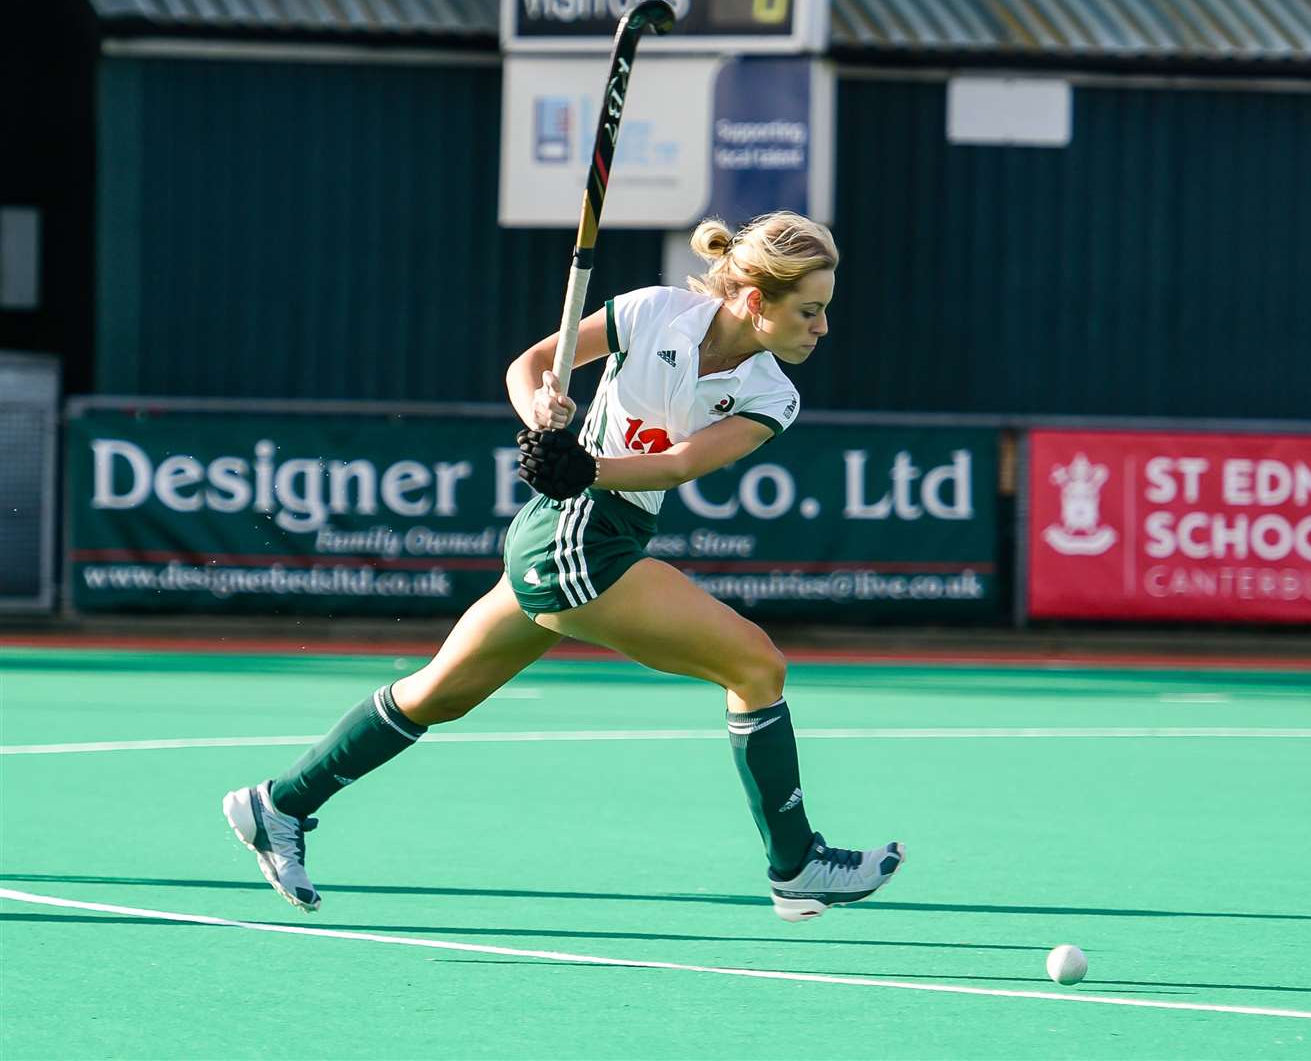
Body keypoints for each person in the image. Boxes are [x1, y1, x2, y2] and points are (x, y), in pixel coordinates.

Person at [222, 211, 904, 923]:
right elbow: (529, 366)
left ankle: (279, 804)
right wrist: (539, 409)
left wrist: (583, 466)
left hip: (593, 523)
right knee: (756, 666)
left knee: (438, 695)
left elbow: (678, 465)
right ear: (758, 301)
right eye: (810, 311)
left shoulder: (773, 395)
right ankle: (796, 864)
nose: (822, 328)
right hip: (577, 542)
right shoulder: (652, 312)